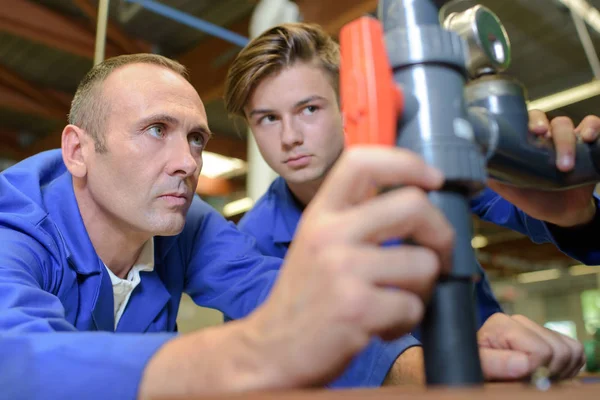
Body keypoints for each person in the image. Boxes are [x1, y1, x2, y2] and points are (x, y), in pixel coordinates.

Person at [0, 53, 462, 399]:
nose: (187, 163)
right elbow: (14, 355)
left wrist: (439, 370)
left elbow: (279, 294)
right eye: (157, 129)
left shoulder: (184, 222)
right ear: (78, 151)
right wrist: (251, 352)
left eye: (196, 138)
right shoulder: (15, 223)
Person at [224, 22, 599, 383]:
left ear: (345, 105)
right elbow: (263, 368)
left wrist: (578, 217)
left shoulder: (423, 158)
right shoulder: (250, 244)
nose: (290, 137)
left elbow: (529, 208)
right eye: (269, 119)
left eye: (309, 109)